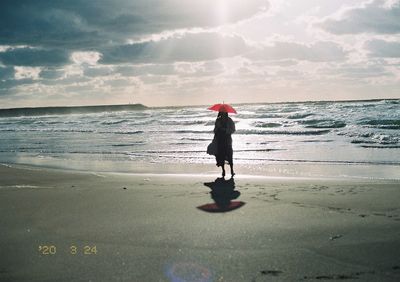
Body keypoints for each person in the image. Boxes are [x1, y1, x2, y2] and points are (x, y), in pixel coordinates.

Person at [213, 111, 235, 177]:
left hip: (227, 140)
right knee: (221, 156)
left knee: (230, 155)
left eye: (224, 113)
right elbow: (214, 130)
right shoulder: (218, 120)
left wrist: (225, 130)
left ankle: (232, 170)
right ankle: (223, 170)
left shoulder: (229, 120)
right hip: (220, 140)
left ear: (226, 113)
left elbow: (233, 129)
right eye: (222, 113)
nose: (223, 114)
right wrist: (218, 128)